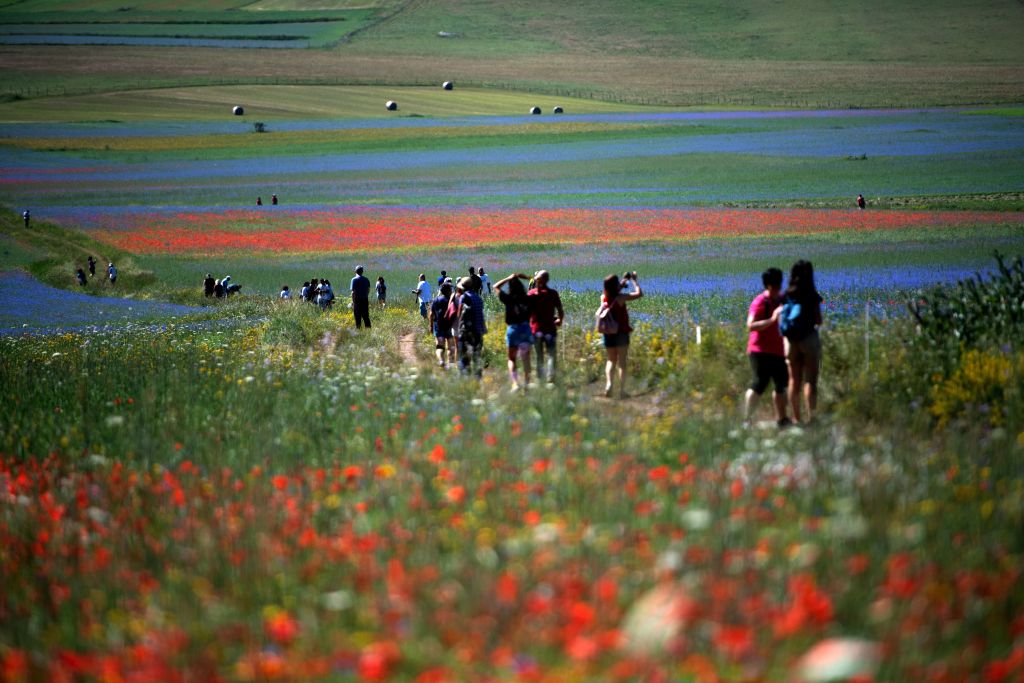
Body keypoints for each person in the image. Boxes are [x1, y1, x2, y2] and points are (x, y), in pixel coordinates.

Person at [743, 268, 790, 427]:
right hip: (759, 351)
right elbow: (750, 326)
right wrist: (772, 319)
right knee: (759, 384)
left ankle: (782, 419)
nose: (778, 288)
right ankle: (747, 419)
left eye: (779, 284)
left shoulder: (781, 301)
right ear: (768, 285)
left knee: (781, 385)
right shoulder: (760, 302)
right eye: (775, 285)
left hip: (778, 351)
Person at [780, 260, 824, 424]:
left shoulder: (787, 294)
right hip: (809, 339)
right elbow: (819, 321)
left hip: (790, 341)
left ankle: (796, 418)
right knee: (810, 381)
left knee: (793, 380)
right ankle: (812, 417)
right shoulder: (811, 294)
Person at [600, 271, 642, 398]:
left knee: (611, 360)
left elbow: (615, 288)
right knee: (622, 362)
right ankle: (622, 391)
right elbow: (639, 294)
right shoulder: (621, 298)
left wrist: (624, 280)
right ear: (615, 285)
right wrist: (634, 280)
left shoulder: (603, 297)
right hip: (621, 333)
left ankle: (609, 385)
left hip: (608, 333)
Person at [494, 273, 534, 390]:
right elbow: (536, 282)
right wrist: (527, 277)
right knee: (526, 358)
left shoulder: (508, 298)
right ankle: (527, 383)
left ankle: (515, 384)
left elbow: (496, 287)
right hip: (526, 329)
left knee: (512, 359)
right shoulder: (528, 298)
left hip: (513, 329)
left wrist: (509, 278)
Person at [528, 270, 564, 383]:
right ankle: (550, 377)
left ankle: (540, 378)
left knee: (539, 355)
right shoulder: (553, 293)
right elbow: (560, 310)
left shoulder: (531, 294)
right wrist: (559, 320)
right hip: (550, 329)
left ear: (536, 280)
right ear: (547, 280)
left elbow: (526, 311)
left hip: (536, 329)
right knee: (551, 354)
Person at [456, 278, 486, 377]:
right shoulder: (478, 297)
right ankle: (478, 377)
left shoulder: (464, 297)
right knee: (477, 355)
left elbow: (459, 315)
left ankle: (465, 378)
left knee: (464, 356)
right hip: (478, 331)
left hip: (466, 331)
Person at [429, 279, 456, 368]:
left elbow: (431, 314)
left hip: (438, 326)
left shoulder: (436, 300)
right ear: (448, 290)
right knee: (450, 346)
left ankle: (441, 360)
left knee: (440, 346)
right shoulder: (451, 300)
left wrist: (431, 326)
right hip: (449, 326)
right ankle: (451, 364)